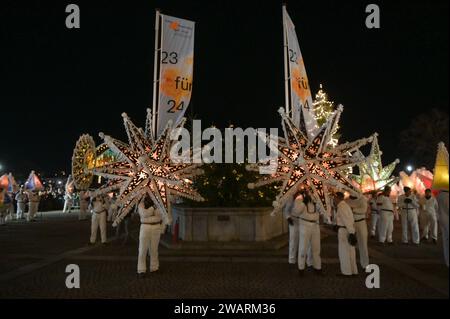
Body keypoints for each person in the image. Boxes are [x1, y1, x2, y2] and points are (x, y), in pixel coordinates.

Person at [295, 192, 321, 275]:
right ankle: (301, 268)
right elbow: (296, 212)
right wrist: (303, 203)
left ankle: (318, 267)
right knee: (303, 247)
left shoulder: (317, 197)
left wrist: (318, 203)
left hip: (315, 225)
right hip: (304, 225)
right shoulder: (299, 198)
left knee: (316, 247)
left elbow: (323, 210)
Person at [137, 196, 163, 277]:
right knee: (142, 249)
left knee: (154, 249)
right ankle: (141, 269)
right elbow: (144, 214)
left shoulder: (159, 203)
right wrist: (152, 208)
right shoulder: (141, 204)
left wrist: (151, 210)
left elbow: (160, 215)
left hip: (156, 227)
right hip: (145, 227)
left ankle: (154, 267)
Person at [335, 192, 358, 276]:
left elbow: (346, 220)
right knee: (351, 251)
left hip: (345, 230)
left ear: (337, 198)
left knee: (344, 252)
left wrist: (351, 232)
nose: (334, 200)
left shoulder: (341, 207)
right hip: (348, 229)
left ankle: (346, 272)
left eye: (334, 198)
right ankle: (353, 270)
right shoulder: (345, 205)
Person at [346, 193, 370, 269]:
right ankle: (350, 264)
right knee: (349, 243)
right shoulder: (346, 200)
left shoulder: (362, 199)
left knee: (363, 243)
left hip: (361, 222)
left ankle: (365, 264)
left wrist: (352, 209)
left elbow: (363, 210)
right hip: (350, 223)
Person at [283, 191, 302, 265]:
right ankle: (292, 259)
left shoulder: (304, 197)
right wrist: (288, 218)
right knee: (293, 240)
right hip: (293, 221)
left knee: (303, 241)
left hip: (303, 221)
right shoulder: (290, 198)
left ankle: (302, 258)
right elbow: (286, 210)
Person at [437, 190, 449, 267]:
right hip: (447, 219)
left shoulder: (439, 195)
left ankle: (447, 261)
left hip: (442, 219)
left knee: (446, 241)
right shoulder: (446, 196)